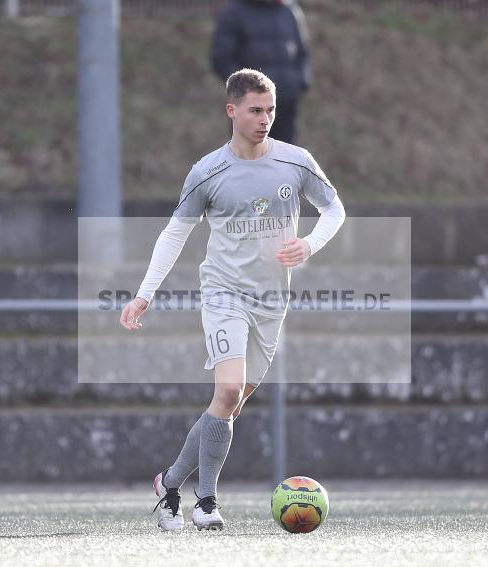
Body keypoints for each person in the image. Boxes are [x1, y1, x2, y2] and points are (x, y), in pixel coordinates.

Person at [119, 68, 345, 531]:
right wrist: (144, 294)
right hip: (224, 293)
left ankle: (169, 483)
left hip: (271, 301)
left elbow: (334, 209)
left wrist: (309, 244)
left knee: (230, 404)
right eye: (255, 110)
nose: (265, 119)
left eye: (271, 110)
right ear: (231, 111)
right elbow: (174, 234)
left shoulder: (296, 162)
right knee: (226, 391)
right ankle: (206, 502)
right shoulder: (208, 171)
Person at [210, 0, 311, 144]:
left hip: (286, 103)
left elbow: (302, 53)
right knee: (248, 155)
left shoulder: (289, 10)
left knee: (286, 155)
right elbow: (221, 59)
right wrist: (246, 90)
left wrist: (301, 82)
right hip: (249, 107)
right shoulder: (234, 12)